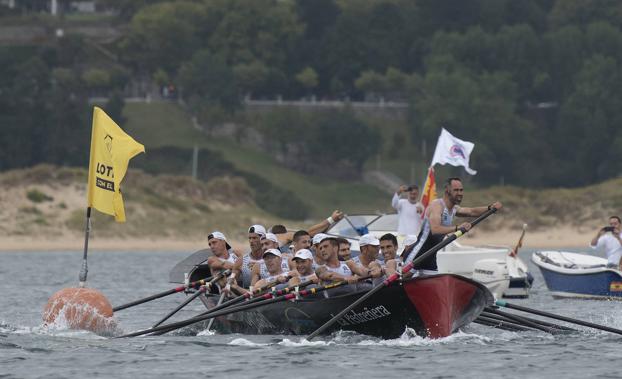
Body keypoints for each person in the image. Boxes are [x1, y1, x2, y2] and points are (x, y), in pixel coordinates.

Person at [402, 177, 502, 274]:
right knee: (402, 281)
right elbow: (435, 229)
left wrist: (490, 208)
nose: (460, 193)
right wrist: (458, 228)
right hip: (418, 253)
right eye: (456, 190)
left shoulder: (454, 209)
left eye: (461, 190)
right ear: (447, 190)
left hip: (431, 256)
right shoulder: (437, 206)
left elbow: (472, 211)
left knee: (435, 287)